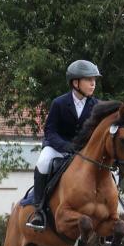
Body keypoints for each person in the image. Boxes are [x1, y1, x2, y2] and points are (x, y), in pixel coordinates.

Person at [26, 59, 101, 230]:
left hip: (83, 151)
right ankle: (38, 210)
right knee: (43, 162)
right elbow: (50, 131)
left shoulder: (96, 105)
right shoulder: (59, 103)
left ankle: (108, 212)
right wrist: (65, 146)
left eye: (94, 80)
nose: (93, 83)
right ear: (76, 82)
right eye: (89, 79)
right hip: (58, 147)